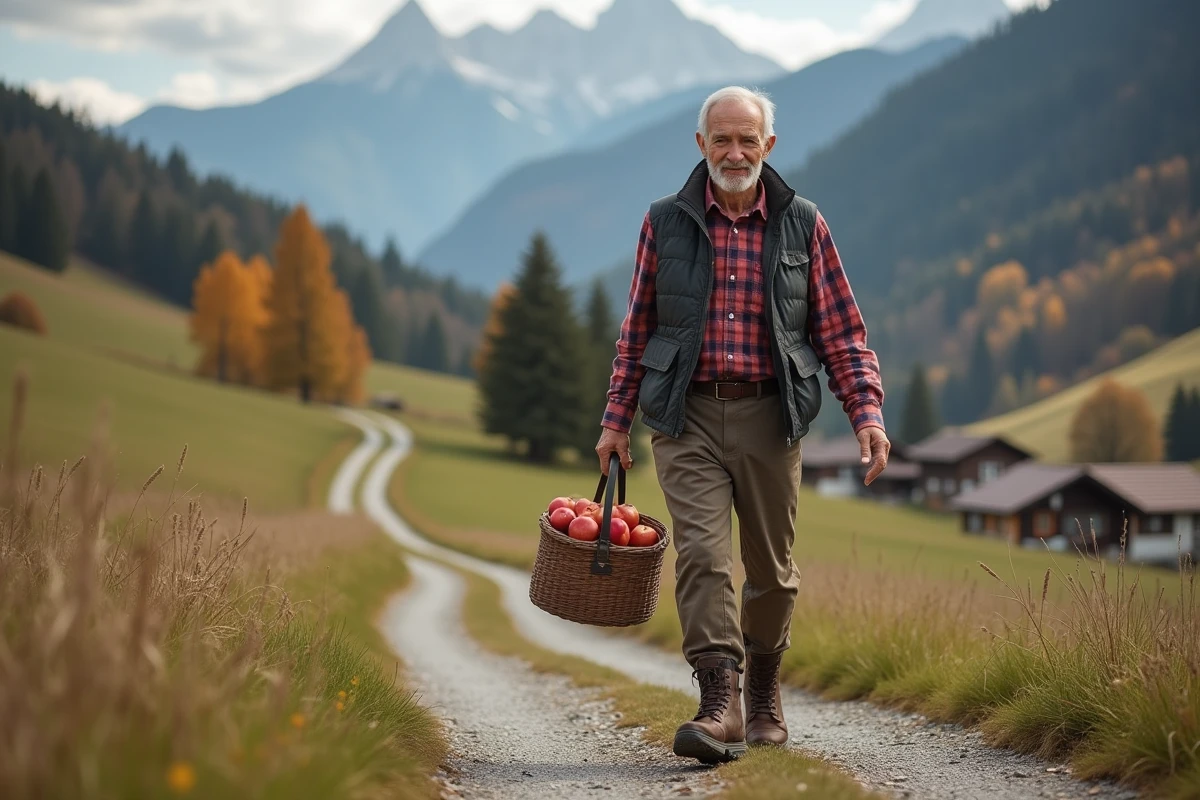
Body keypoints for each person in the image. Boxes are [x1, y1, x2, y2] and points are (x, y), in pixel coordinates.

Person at [595, 86, 890, 764]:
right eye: (721, 139)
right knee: (701, 555)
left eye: (746, 140)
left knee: (772, 573)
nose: (734, 152)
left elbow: (842, 332)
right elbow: (637, 329)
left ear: (769, 147)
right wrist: (615, 421)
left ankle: (762, 691)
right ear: (700, 145)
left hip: (770, 414)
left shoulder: (803, 224)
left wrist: (865, 412)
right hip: (686, 415)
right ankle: (718, 700)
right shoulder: (663, 223)